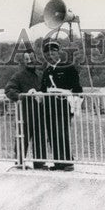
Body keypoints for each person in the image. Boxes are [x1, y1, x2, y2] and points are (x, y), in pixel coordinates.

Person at [41, 38, 83, 171]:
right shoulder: (47, 71)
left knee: (62, 133)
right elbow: (43, 89)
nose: (50, 56)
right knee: (52, 133)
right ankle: (58, 162)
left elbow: (76, 87)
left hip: (63, 105)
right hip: (50, 106)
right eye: (47, 54)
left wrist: (76, 104)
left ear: (58, 53)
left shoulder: (68, 67)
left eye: (53, 52)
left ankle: (68, 161)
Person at [5, 50, 48, 169]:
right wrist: (22, 96)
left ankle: (40, 163)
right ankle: (19, 163)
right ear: (23, 61)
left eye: (32, 58)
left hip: (39, 113)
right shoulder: (18, 76)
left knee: (40, 138)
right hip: (24, 113)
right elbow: (9, 90)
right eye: (27, 59)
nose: (30, 61)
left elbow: (46, 90)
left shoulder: (40, 75)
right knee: (21, 137)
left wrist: (42, 95)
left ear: (36, 59)